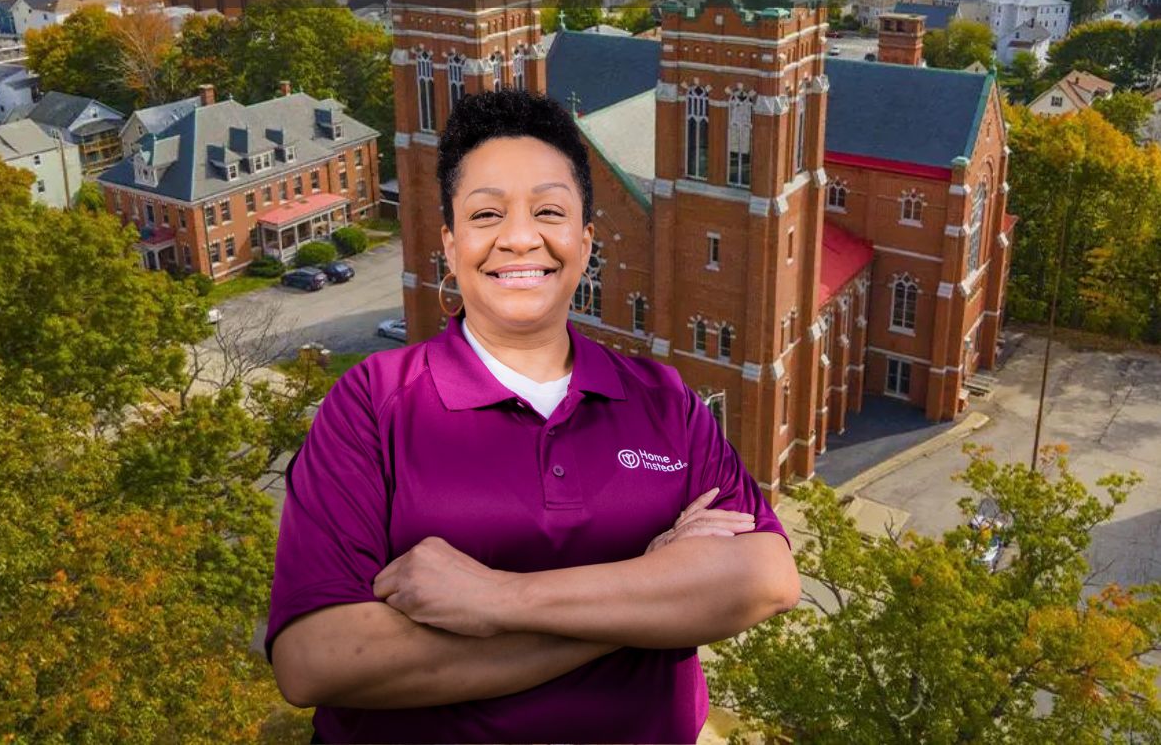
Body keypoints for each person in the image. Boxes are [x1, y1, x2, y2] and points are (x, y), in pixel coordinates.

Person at [266, 88, 800, 744]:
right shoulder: (374, 402)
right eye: (487, 214)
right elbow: (315, 660)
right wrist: (650, 600)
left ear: (585, 239)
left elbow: (766, 579)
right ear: (451, 240)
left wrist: (496, 600)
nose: (521, 238)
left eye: (548, 210)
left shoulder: (664, 400)